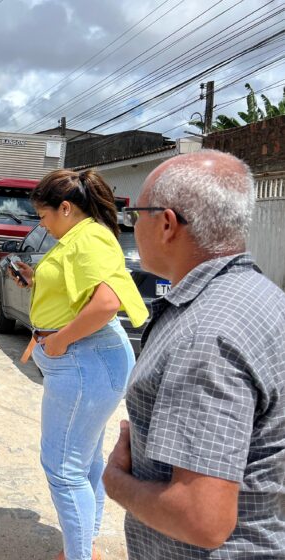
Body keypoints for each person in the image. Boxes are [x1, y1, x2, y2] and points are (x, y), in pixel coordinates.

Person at [103, 150, 285, 558]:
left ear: (167, 224)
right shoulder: (264, 299)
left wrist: (116, 482)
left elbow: (200, 518)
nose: (131, 226)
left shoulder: (204, 333)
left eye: (137, 215)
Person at [9, 169, 148, 560]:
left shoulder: (91, 237)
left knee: (62, 467)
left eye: (44, 215)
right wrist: (37, 281)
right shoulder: (78, 237)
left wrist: (57, 342)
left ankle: (79, 555)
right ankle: (82, 548)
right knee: (83, 460)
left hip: (84, 358)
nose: (42, 223)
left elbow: (106, 303)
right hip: (86, 360)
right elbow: (78, 288)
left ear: (66, 208)